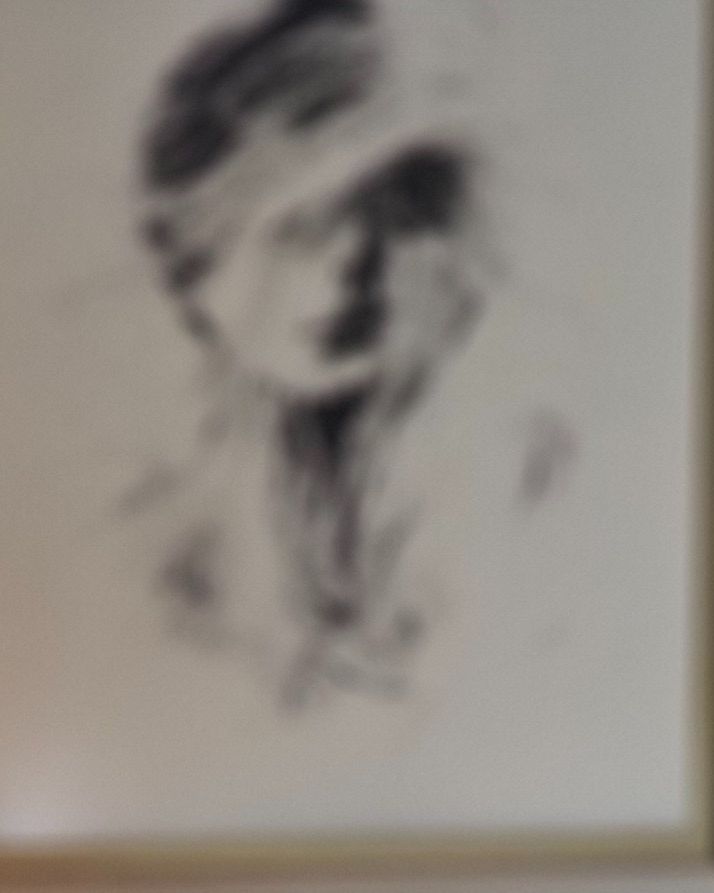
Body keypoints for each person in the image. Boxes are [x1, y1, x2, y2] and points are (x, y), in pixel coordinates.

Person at [124, 0, 568, 708]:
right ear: (196, 262)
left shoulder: (514, 480)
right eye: (297, 229)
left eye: (390, 218)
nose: (346, 274)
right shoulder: (150, 540)